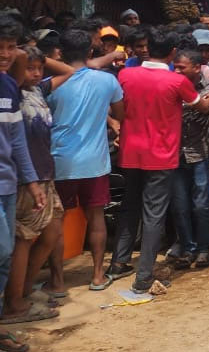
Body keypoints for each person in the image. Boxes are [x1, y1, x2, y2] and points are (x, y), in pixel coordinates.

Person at [113, 30, 209, 293]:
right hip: (160, 155)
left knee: (129, 206)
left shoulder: (125, 74)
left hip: (130, 150)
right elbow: (202, 107)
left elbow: (118, 107)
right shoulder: (176, 81)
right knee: (154, 214)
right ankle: (144, 276)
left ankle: (119, 262)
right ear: (171, 53)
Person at [46, 30, 124, 291]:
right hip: (95, 162)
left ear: (59, 53)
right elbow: (121, 112)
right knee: (96, 217)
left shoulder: (50, 82)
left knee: (57, 221)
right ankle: (98, 275)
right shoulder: (107, 81)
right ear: (91, 52)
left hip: (59, 161)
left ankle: (57, 282)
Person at [0, 42, 56, 326]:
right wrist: (21, 48)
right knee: (17, 243)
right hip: (23, 179)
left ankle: (18, 295)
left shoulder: (32, 89)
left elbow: (72, 70)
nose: (34, 73)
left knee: (45, 236)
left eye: (10, 47)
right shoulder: (14, 86)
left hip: (38, 175)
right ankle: (14, 303)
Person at [166, 50, 209, 269]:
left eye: (182, 67)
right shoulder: (171, 87)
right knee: (180, 204)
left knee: (201, 204)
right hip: (175, 153)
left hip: (201, 152)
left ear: (197, 68)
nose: (177, 71)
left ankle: (203, 248)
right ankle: (188, 247)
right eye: (175, 66)